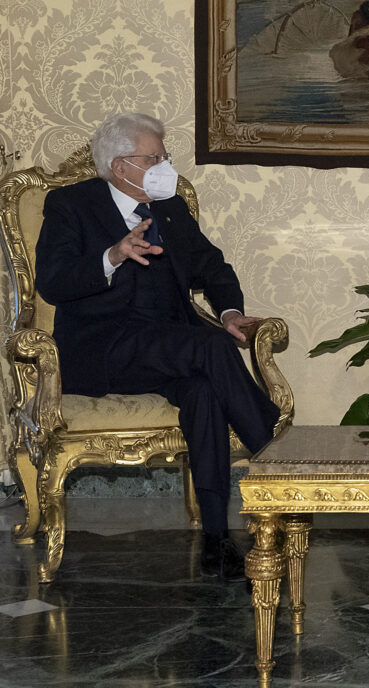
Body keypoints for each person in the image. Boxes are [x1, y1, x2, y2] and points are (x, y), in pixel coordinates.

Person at [34, 113, 281, 583]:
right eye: (156, 157)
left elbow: (213, 266)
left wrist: (229, 312)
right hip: (105, 347)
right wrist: (112, 255)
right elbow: (53, 282)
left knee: (205, 393)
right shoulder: (70, 204)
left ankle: (215, 541)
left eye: (164, 156)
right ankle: (278, 458)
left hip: (169, 347)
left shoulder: (169, 209)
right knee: (209, 348)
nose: (165, 164)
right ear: (122, 165)